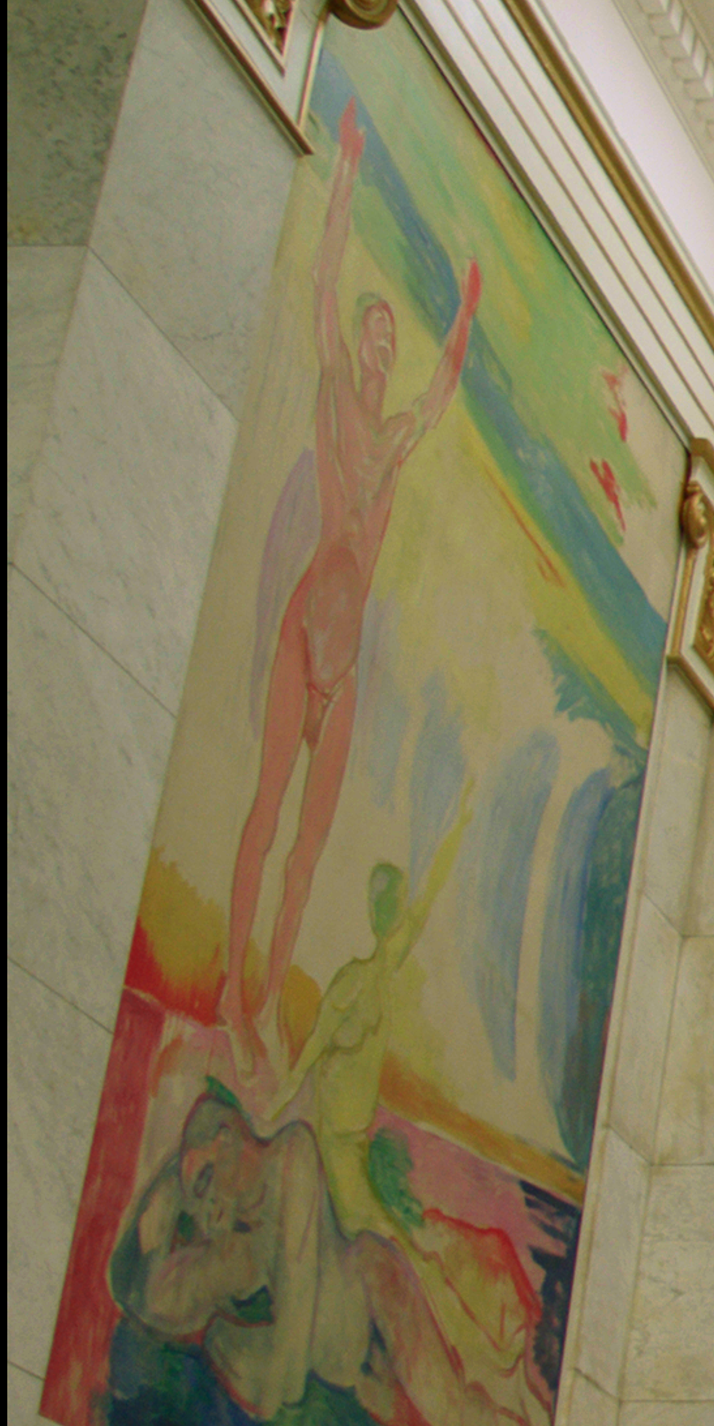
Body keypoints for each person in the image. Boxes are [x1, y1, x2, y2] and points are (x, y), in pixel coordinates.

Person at [226, 101, 481, 1066]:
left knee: (309, 849)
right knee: (262, 809)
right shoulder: (335, 398)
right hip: (306, 627)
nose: (377, 344)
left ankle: (270, 1004)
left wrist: (463, 315)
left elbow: (444, 391)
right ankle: (229, 993)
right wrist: (344, 172)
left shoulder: (394, 444)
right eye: (373, 332)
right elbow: (326, 276)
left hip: (348, 658)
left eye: (386, 337)